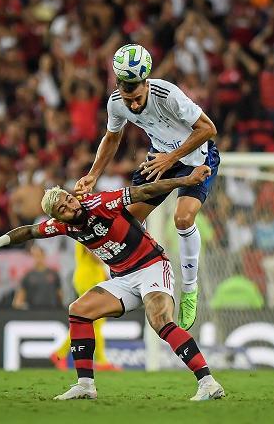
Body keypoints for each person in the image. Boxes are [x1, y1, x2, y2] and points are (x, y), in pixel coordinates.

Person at [0, 165, 225, 402]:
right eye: (62, 208)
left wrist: (185, 181)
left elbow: (144, 192)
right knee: (78, 310)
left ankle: (207, 382)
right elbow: (30, 231)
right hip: (123, 278)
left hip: (151, 266)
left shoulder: (101, 203)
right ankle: (85, 385)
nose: (70, 206)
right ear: (57, 217)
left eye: (69, 199)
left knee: (160, 321)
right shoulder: (62, 226)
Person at [74, 44, 220, 331]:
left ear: (146, 83)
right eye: (130, 100)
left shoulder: (168, 94)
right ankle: (132, 276)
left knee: (183, 218)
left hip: (196, 158)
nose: (135, 105)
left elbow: (208, 129)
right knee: (124, 221)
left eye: (138, 98)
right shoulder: (116, 102)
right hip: (159, 161)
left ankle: (189, 288)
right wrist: (93, 174)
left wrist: (172, 157)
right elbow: (112, 138)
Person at [50, 244, 119, 371]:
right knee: (95, 321)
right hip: (88, 278)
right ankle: (101, 361)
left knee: (90, 321)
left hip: (89, 277)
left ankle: (60, 353)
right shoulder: (89, 231)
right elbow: (94, 255)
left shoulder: (86, 230)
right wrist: (113, 258)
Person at [12, 245, 63, 309]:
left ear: (44, 255)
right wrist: (22, 306)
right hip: (33, 313)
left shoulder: (54, 274)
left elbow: (60, 295)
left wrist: (61, 308)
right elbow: (18, 300)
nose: (36, 258)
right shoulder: (27, 276)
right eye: (34, 256)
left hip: (51, 311)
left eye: (38, 255)